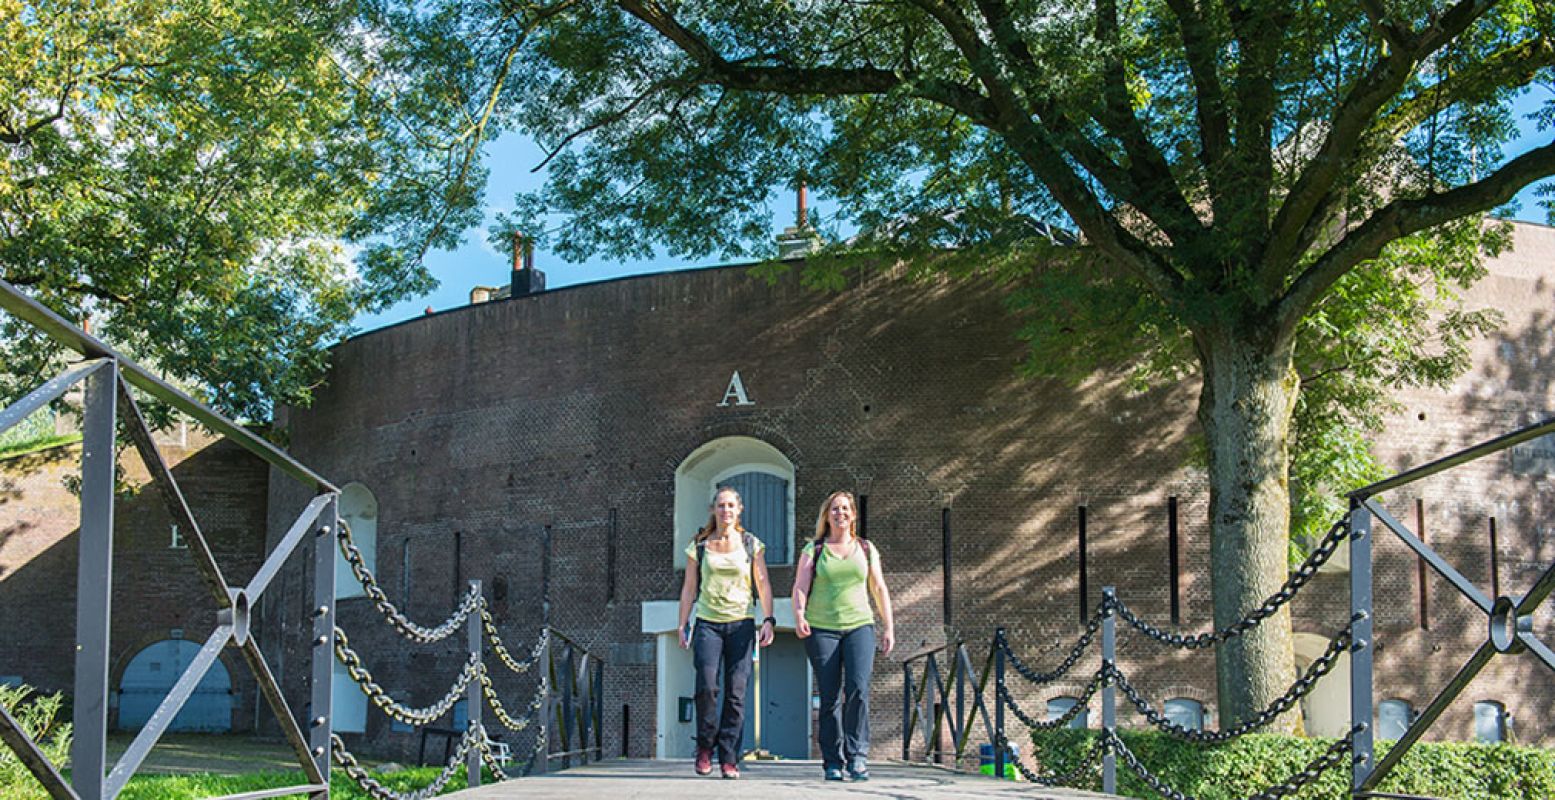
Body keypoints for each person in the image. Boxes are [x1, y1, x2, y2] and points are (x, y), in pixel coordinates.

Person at [793, 490, 894, 782]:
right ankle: (832, 761)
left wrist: (889, 626)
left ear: (853, 515)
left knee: (858, 690)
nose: (841, 514)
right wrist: (799, 614)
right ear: (827, 515)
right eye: (835, 509)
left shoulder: (865, 548)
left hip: (859, 625)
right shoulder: (815, 549)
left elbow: (879, 587)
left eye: (845, 509)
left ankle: (858, 756)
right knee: (829, 696)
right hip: (822, 628)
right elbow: (800, 586)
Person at [677, 486, 775, 780]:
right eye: (721, 505)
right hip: (708, 623)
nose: (726, 511)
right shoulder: (700, 545)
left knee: (736, 693)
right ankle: (705, 747)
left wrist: (768, 619)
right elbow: (689, 588)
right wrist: (683, 624)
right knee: (707, 687)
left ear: (739, 510)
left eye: (731, 505)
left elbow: (764, 584)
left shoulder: (750, 543)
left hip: (741, 624)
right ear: (713, 510)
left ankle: (729, 756)